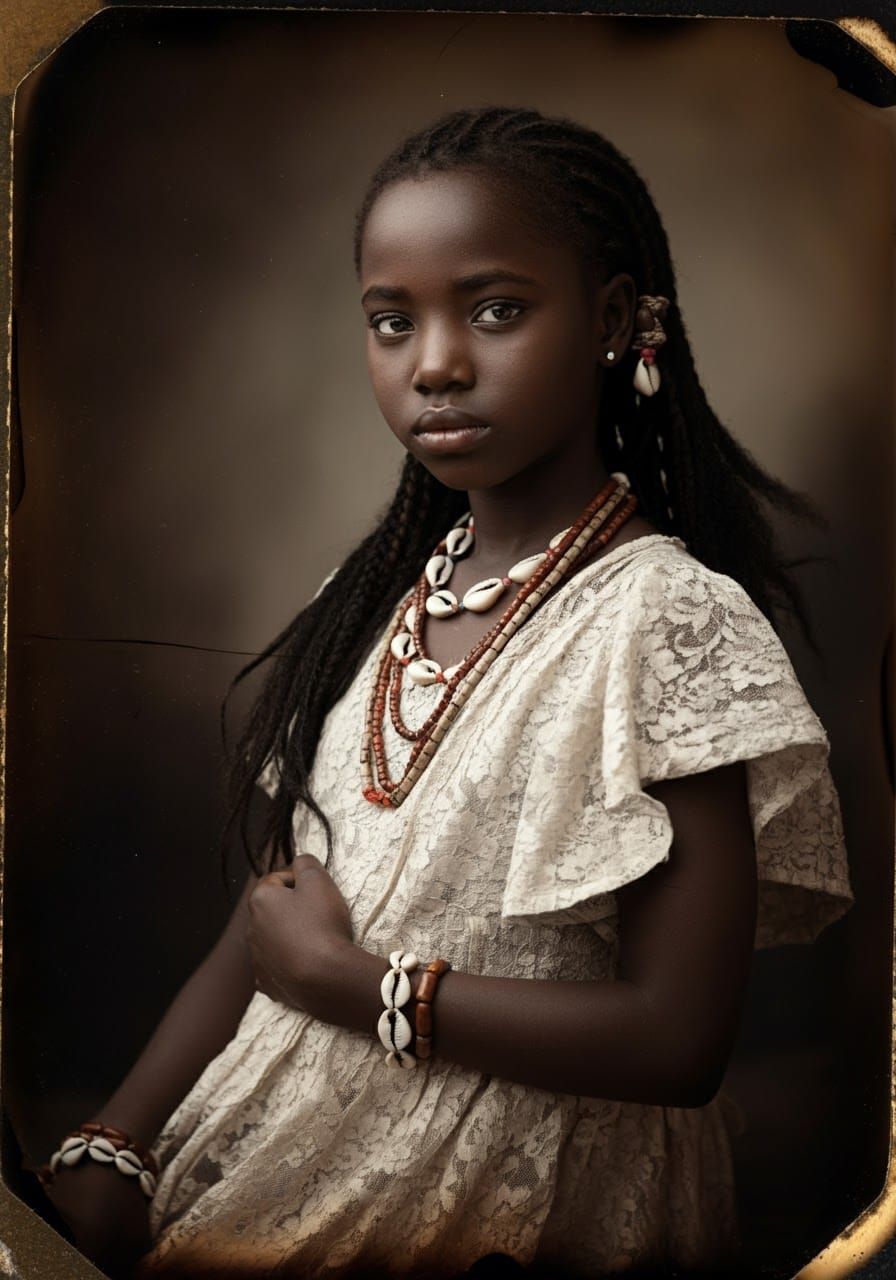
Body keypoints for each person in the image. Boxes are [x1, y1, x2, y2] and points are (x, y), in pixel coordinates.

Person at [35, 105, 854, 1279]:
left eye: (495, 309)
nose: (435, 363)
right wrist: (114, 1141)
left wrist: (355, 984)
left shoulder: (663, 620)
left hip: (512, 1197)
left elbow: (678, 1039)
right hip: (273, 1150)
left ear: (613, 322)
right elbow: (279, 910)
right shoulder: (367, 601)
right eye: (390, 320)